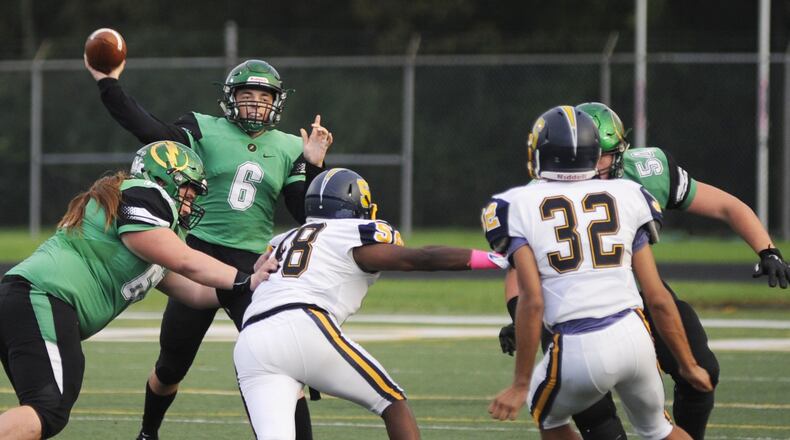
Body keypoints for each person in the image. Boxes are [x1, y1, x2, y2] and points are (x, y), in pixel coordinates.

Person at [497, 102, 790, 439]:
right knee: (598, 419)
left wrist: (767, 250)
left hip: (631, 298)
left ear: (619, 153)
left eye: (603, 156)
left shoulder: (642, 175)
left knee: (701, 373)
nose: (595, 165)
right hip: (569, 309)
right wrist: (519, 315)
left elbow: (725, 205)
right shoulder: (542, 196)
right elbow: (517, 273)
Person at [85, 58, 332, 439]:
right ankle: (148, 434)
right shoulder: (203, 128)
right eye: (245, 94)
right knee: (171, 366)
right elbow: (147, 129)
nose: (253, 103)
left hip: (255, 267)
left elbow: (305, 212)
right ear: (229, 99)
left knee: (276, 364)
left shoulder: (289, 147)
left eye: (262, 96)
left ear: (276, 102)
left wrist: (314, 165)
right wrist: (108, 83)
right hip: (197, 256)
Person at [0, 141, 277, 440]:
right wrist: (245, 278)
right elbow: (186, 261)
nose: (190, 202)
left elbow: (194, 292)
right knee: (48, 409)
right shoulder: (141, 194)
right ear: (162, 180)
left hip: (29, 299)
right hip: (43, 297)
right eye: (188, 191)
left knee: (43, 409)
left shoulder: (151, 232)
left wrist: (245, 286)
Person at [485, 106, 713, 440]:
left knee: (548, 416)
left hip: (578, 344)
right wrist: (688, 364)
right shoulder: (629, 194)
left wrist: (520, 383)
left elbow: (532, 301)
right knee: (659, 429)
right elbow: (658, 297)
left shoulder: (514, 205)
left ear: (541, 152)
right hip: (635, 336)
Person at [234, 168, 506, 440]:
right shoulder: (350, 232)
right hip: (303, 324)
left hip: (251, 341)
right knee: (391, 402)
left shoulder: (285, 239)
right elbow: (420, 258)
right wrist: (496, 259)